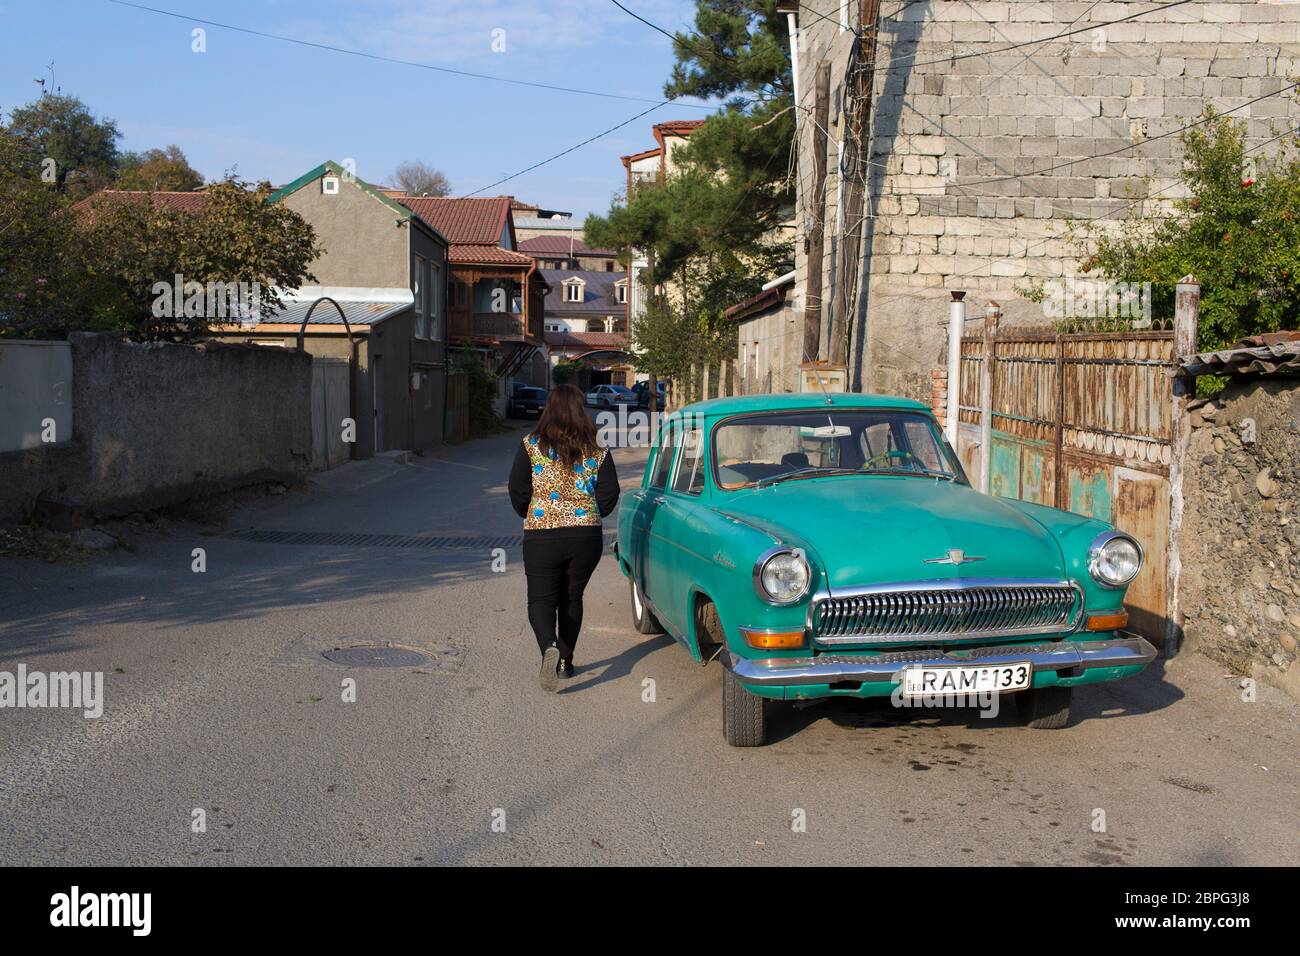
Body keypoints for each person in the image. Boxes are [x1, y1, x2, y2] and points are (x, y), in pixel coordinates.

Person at [508, 383, 620, 691]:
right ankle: (564, 662)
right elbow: (610, 492)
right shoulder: (597, 447)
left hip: (542, 534)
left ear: (549, 409)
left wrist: (531, 511)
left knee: (540, 600)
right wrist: (591, 514)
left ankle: (549, 646)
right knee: (572, 597)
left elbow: (518, 489)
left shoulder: (531, 444)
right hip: (585, 537)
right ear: (581, 409)